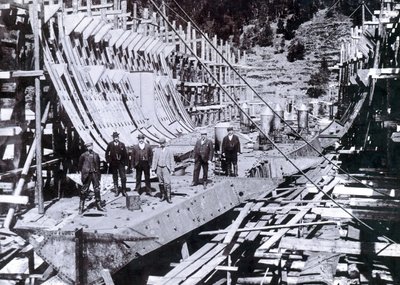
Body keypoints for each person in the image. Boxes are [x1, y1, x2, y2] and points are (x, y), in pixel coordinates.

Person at [78, 142, 105, 214]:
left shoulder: (96, 155)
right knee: (84, 190)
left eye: (91, 146)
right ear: (86, 147)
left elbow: (98, 166)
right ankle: (81, 207)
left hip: (95, 174)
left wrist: (99, 175)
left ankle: (99, 205)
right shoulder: (83, 155)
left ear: (92, 146)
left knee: (97, 189)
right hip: (87, 174)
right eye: (88, 146)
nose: (90, 147)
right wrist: (83, 173)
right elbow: (80, 166)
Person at [152, 137, 175, 203]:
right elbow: (154, 160)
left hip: (166, 168)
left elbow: (171, 160)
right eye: (160, 143)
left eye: (163, 143)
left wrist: (172, 169)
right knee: (160, 182)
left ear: (165, 143)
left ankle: (168, 197)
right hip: (159, 167)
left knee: (167, 183)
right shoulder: (156, 150)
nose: (161, 144)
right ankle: (162, 196)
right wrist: (153, 169)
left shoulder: (169, 150)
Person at [105, 131, 128, 197]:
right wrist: (108, 162)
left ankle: (124, 191)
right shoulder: (110, 144)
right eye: (115, 137)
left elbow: (126, 155)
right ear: (113, 138)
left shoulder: (122, 144)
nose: (116, 138)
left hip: (121, 163)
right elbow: (106, 153)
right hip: (113, 163)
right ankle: (117, 190)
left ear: (118, 137)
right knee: (115, 177)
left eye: (117, 137)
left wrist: (126, 164)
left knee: (123, 177)